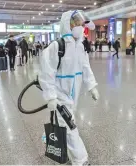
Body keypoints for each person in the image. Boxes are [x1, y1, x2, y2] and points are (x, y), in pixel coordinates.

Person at [39, 10, 99, 165]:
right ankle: (81, 160)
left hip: (74, 95)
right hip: (60, 95)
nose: (79, 27)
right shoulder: (56, 46)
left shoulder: (80, 47)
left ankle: (55, 141)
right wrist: (51, 97)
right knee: (70, 125)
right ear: (68, 25)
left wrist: (92, 86)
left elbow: (86, 68)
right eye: (76, 24)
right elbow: (46, 73)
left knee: (68, 122)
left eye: (81, 24)